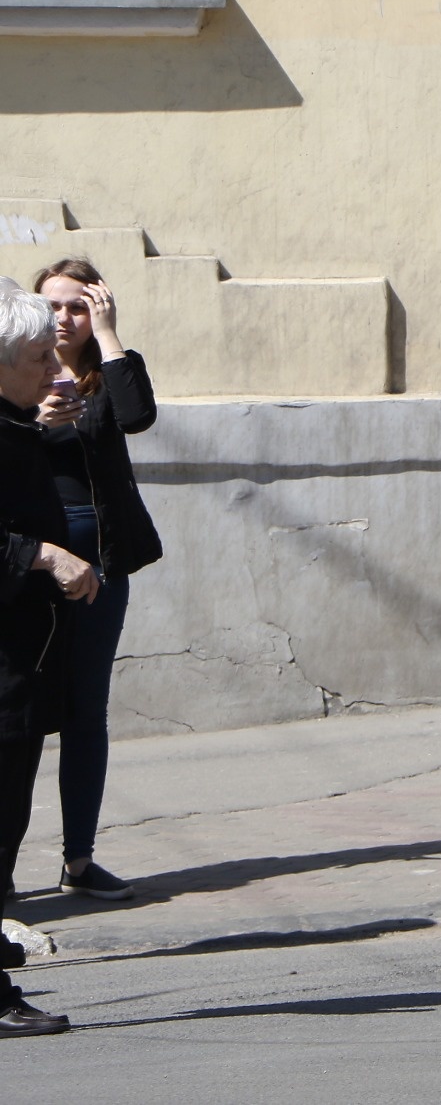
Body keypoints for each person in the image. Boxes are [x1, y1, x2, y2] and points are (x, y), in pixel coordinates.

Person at [32, 259, 162, 903]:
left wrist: (110, 337)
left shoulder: (107, 371)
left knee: (88, 711)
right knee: (21, 715)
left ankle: (78, 861)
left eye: (79, 306)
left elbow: (137, 417)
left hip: (104, 558)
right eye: (54, 305)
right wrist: (37, 425)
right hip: (34, 563)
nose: (65, 318)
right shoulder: (15, 373)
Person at [0, 279, 101, 1035]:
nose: (53, 368)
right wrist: (42, 556)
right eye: (39, 357)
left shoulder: (15, 421)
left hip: (22, 662)